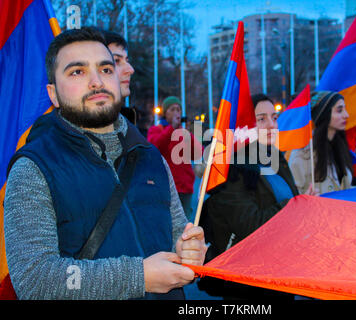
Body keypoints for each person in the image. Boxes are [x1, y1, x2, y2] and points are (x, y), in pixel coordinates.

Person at [4, 27, 207, 300]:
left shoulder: (151, 157)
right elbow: (35, 279)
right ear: (53, 94)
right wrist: (139, 277)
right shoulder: (33, 168)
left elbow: (175, 237)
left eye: (106, 69)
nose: (97, 81)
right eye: (78, 72)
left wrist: (187, 251)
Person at [198, 94, 299, 299]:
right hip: (248, 283)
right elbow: (250, 226)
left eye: (274, 117)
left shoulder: (275, 157)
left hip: (282, 273)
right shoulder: (231, 170)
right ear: (244, 127)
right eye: (261, 119)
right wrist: (293, 206)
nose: (272, 125)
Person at [147, 96, 203, 221]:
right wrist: (171, 128)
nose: (176, 112)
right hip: (165, 188)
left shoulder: (183, 133)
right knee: (166, 224)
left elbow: (199, 153)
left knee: (185, 225)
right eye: (172, 109)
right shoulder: (156, 130)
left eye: (178, 109)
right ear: (165, 113)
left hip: (185, 187)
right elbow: (154, 148)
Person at [288, 91, 353, 195]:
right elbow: (293, 196)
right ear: (324, 114)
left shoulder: (340, 146)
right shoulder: (303, 153)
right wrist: (306, 198)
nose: (346, 115)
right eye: (339, 110)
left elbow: (342, 187)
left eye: (345, 109)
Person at [102, 30, 138, 126]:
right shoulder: (67, 136)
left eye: (127, 60)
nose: (131, 69)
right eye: (117, 60)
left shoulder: (127, 126)